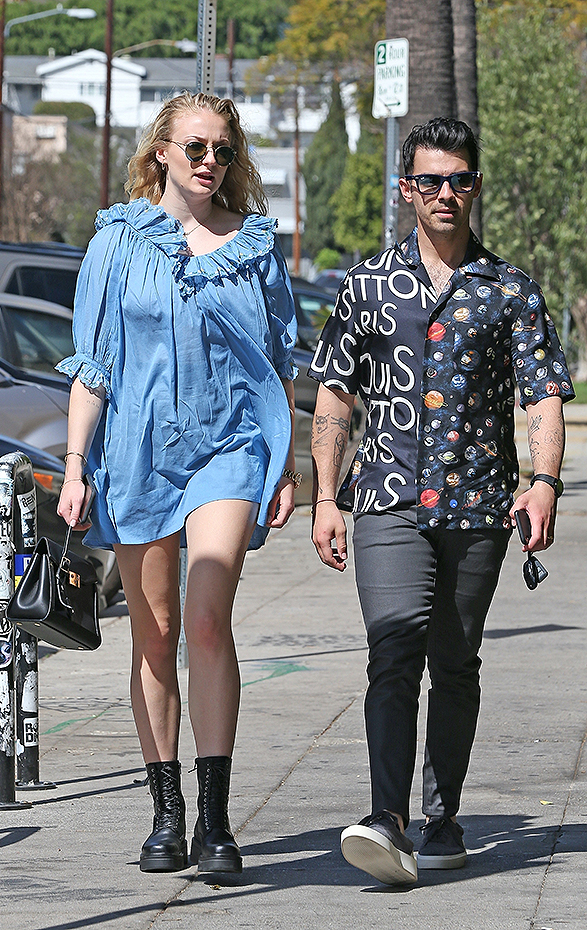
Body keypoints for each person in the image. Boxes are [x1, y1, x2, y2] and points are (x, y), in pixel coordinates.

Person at [308, 117, 574, 886]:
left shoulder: (510, 290)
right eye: (430, 180)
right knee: (393, 652)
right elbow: (335, 393)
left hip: (477, 504)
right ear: (407, 190)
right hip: (386, 498)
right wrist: (326, 496)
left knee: (454, 662)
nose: (445, 193)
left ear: (475, 187)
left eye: (458, 179)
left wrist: (544, 482)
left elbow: (543, 394)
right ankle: (386, 820)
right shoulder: (367, 285)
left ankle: (443, 815)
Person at [57, 91, 301, 875]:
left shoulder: (254, 247)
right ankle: (167, 814)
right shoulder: (117, 242)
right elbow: (93, 365)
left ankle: (217, 821)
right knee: (154, 632)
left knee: (205, 617)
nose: (210, 162)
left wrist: (284, 461)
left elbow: (277, 363)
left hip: (228, 449)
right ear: (161, 150)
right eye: (195, 147)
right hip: (136, 453)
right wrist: (74, 463)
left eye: (223, 150)